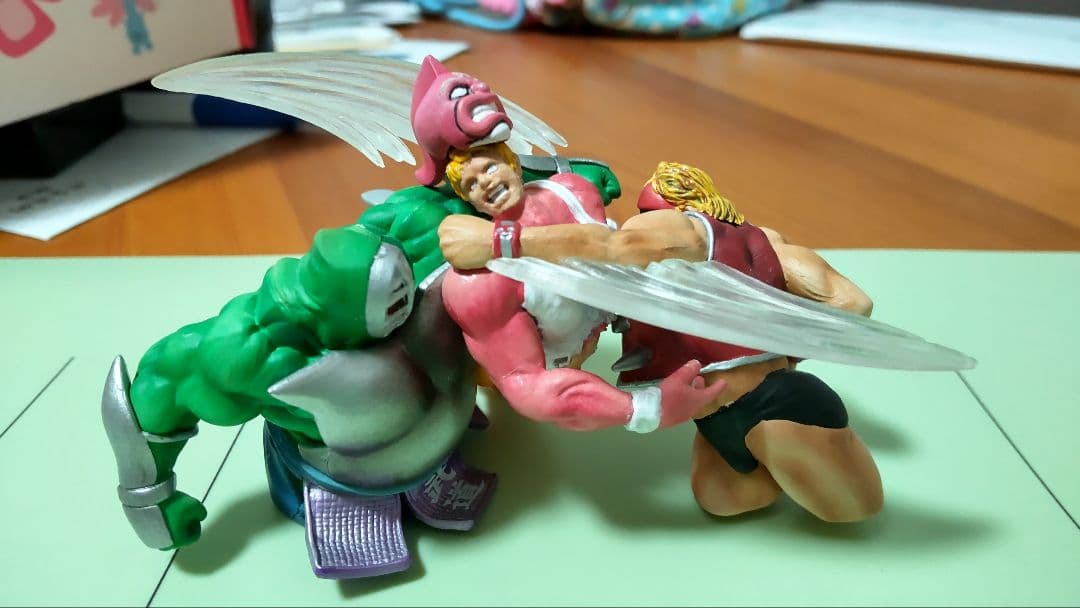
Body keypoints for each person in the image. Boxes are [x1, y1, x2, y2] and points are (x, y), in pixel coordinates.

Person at [438, 161, 884, 522]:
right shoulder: (762, 245)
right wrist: (779, 347)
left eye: (645, 210)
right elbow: (851, 304)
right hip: (716, 421)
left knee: (852, 509)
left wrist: (499, 241)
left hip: (774, 405)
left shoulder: (681, 228)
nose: (640, 219)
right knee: (725, 500)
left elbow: (615, 247)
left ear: (678, 203)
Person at [439, 144, 728, 434]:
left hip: (611, 317)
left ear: (513, 164)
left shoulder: (572, 191)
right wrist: (646, 409)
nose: (485, 182)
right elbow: (528, 386)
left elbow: (611, 249)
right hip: (558, 359)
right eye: (471, 184)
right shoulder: (482, 284)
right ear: (470, 201)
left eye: (490, 167)